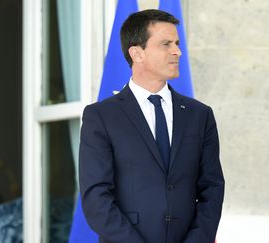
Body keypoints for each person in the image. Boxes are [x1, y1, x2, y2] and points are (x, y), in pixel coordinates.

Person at [79, 9, 225, 243]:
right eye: (166, 44)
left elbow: (212, 189)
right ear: (137, 53)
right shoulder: (101, 116)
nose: (177, 51)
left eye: (177, 43)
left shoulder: (200, 115)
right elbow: (96, 199)